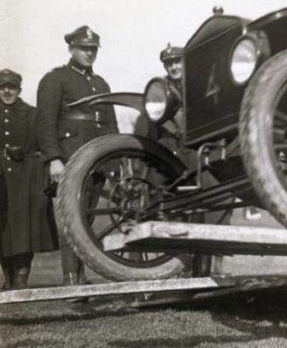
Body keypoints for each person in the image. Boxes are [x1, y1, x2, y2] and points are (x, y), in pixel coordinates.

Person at [37, 26, 118, 286]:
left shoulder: (101, 83)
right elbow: (46, 122)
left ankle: (81, 277)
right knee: (72, 219)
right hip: (70, 160)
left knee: (87, 220)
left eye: (93, 49)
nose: (89, 53)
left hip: (97, 162)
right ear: (71, 48)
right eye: (84, 48)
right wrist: (53, 158)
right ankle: (71, 278)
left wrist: (115, 162)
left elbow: (111, 126)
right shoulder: (55, 79)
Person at [0, 69, 58, 290]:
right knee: (3, 229)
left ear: (19, 90)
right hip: (1, 180)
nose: (6, 91)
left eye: (11, 87)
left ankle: (22, 278)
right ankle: (8, 277)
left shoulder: (33, 114)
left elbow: (45, 143)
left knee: (26, 227)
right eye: (2, 87)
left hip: (28, 178)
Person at [134, 44, 185, 153]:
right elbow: (156, 116)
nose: (174, 67)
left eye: (177, 62)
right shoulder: (160, 88)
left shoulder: (195, 81)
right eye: (169, 64)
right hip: (171, 141)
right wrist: (176, 132)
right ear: (165, 67)